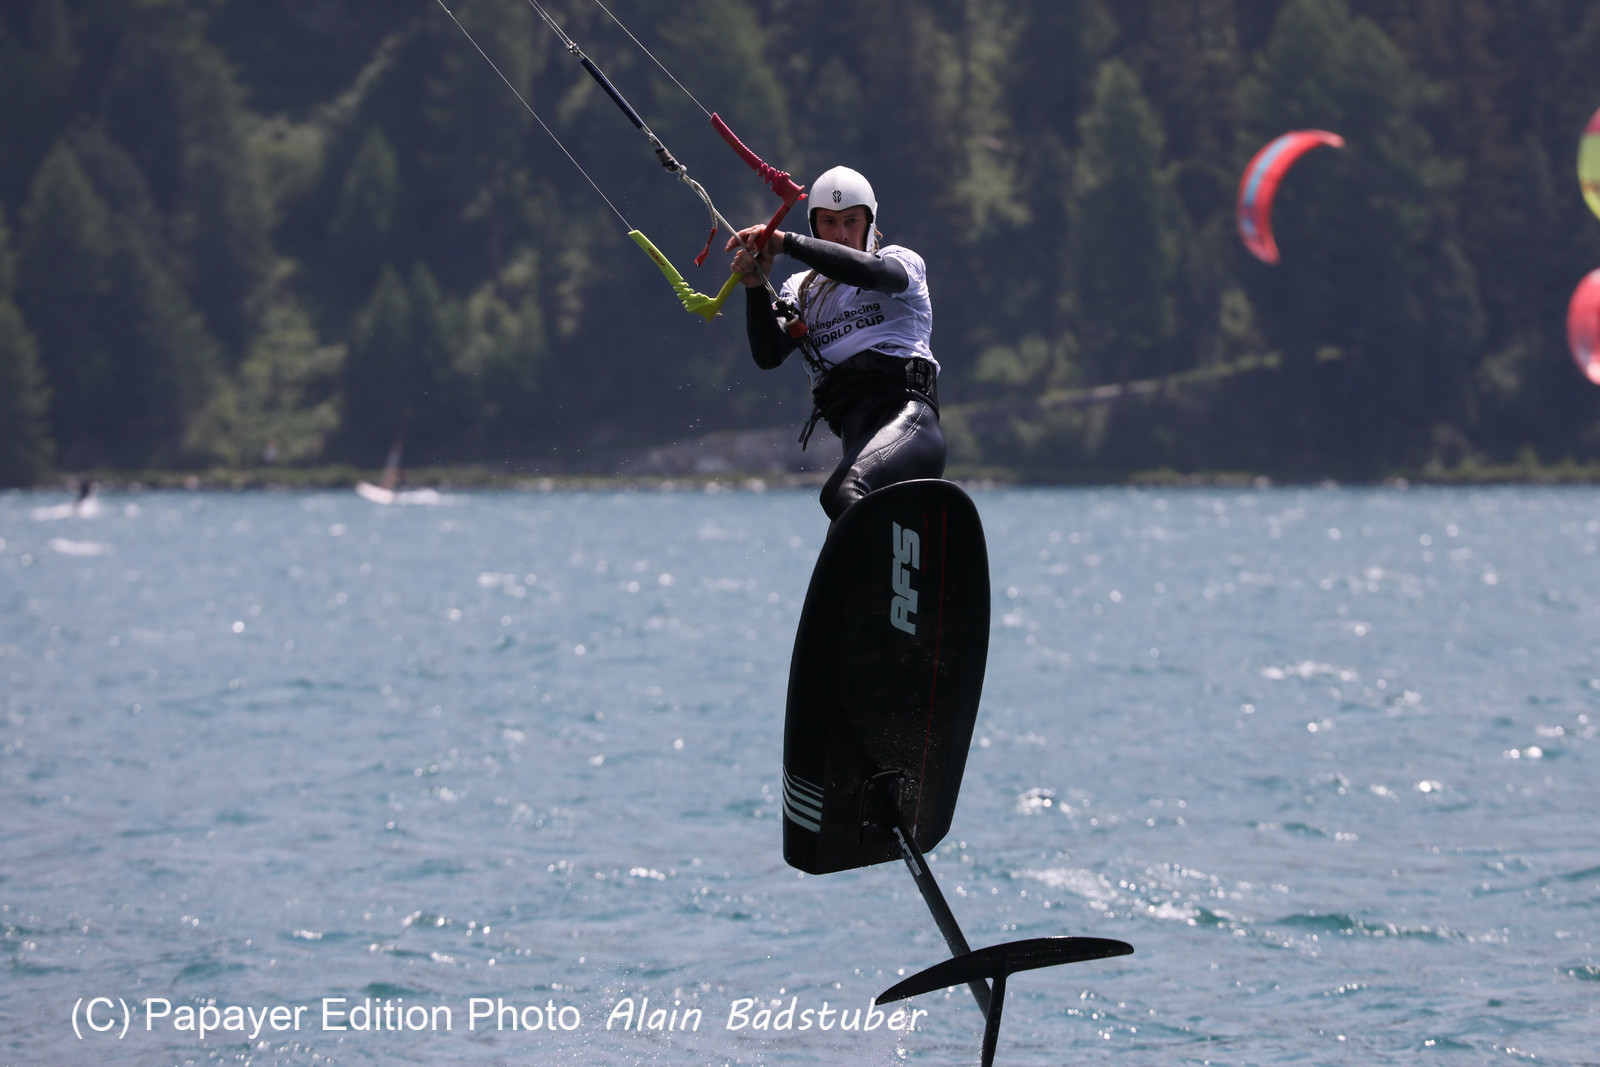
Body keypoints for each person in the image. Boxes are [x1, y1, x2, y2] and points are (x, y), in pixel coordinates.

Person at [727, 166, 944, 521]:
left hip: (909, 423)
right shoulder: (799, 290)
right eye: (828, 222)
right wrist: (754, 285)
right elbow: (768, 356)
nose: (840, 234)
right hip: (857, 437)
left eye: (851, 221)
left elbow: (871, 274)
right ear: (815, 226)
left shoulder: (901, 261)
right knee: (846, 509)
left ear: (869, 221)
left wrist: (786, 242)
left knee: (842, 492)